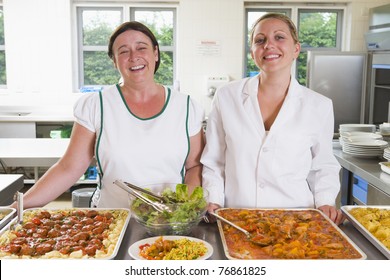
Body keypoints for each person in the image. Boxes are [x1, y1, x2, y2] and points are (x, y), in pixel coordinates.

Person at [13, 21, 205, 209]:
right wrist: (18, 207)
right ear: (114, 61)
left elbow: (194, 167)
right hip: (112, 220)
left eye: (141, 48)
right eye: (123, 51)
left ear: (155, 53)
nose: (133, 56)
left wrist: (179, 209)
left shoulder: (187, 107)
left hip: (169, 221)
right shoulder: (96, 106)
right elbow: (68, 168)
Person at [201, 13, 344, 225]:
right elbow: (214, 161)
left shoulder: (319, 105)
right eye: (260, 40)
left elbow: (323, 166)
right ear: (252, 52)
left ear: (296, 49)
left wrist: (325, 201)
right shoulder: (226, 97)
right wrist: (212, 199)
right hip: (237, 219)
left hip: (296, 220)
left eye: (279, 37)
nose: (269, 45)